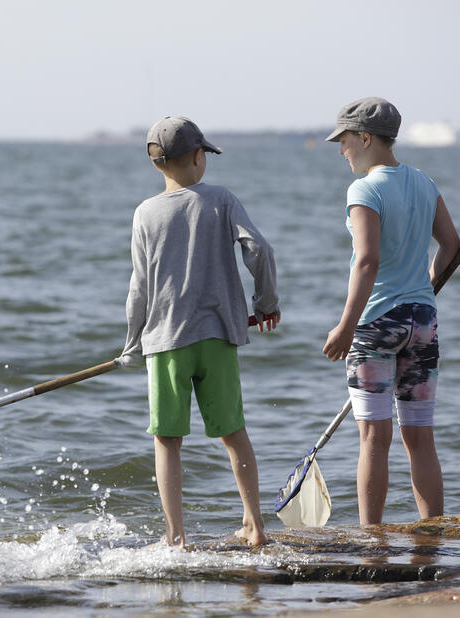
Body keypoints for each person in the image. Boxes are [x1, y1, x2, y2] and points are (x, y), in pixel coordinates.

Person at [116, 116, 281, 548]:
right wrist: (266, 303)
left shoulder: (145, 213)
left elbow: (139, 287)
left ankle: (175, 537)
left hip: (166, 341)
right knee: (234, 432)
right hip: (219, 336)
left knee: (168, 440)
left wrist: (132, 344)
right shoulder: (221, 200)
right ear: (197, 156)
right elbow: (258, 248)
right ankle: (255, 526)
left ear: (156, 164)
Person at [322, 97, 460, 525]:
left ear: (365, 138)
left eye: (344, 140)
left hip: (377, 322)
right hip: (422, 321)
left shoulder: (364, 188)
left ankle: (372, 541)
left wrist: (345, 327)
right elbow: (451, 246)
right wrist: (427, 287)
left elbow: (367, 261)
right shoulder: (424, 181)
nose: (341, 149)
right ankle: (434, 533)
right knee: (420, 438)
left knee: (373, 438)